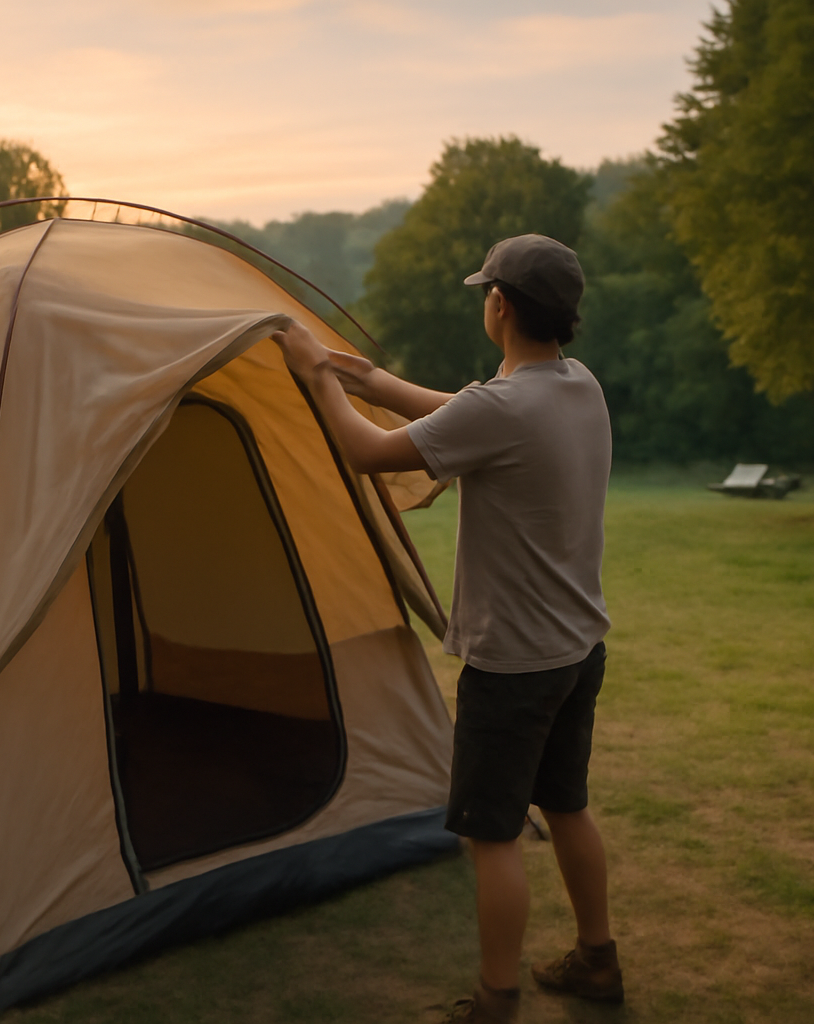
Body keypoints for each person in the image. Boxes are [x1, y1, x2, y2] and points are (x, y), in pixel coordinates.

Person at [271, 234, 621, 1023]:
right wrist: (367, 376)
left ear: (499, 304)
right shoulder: (577, 387)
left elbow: (367, 453)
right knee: (568, 805)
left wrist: (319, 380)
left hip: (513, 666)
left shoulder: (504, 408)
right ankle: (598, 960)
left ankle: (496, 1002)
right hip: (576, 650)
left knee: (492, 837)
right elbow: (468, 417)